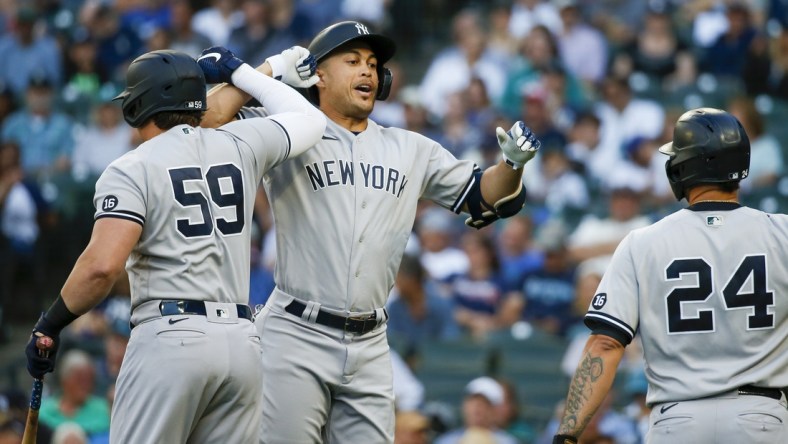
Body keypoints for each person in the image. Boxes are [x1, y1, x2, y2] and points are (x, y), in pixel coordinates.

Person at [201, 20, 540, 443]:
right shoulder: (287, 129)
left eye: (373, 64)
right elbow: (209, 118)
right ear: (316, 74)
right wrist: (269, 70)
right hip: (295, 333)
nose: (367, 71)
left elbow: (484, 196)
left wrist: (511, 166)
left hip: (371, 342)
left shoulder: (410, 147)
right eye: (352, 60)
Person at [23, 47, 326, 443]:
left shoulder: (132, 167)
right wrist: (247, 72)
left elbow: (101, 267)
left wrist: (51, 324)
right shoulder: (240, 142)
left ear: (137, 107)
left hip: (171, 338)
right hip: (242, 345)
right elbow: (310, 119)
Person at [552, 108, 788, 444]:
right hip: (761, 417)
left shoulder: (643, 242)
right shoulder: (783, 232)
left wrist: (568, 433)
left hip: (678, 420)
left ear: (684, 167)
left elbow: (605, 343)